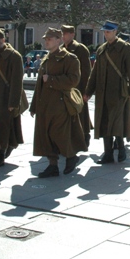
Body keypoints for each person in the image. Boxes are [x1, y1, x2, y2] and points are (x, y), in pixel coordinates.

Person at [29, 28, 87, 177]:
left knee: (59, 134)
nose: (46, 42)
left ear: (58, 40)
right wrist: (34, 105)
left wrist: (52, 80)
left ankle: (70, 157)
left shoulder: (70, 58)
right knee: (46, 136)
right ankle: (52, 165)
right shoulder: (46, 59)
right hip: (45, 104)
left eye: (49, 39)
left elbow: (73, 80)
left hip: (60, 104)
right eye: (45, 39)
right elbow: (39, 85)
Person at [84, 21, 130, 164]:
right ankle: (108, 153)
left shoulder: (126, 49)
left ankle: (121, 150)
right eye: (104, 31)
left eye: (108, 31)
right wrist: (88, 91)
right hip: (103, 92)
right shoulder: (102, 49)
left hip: (119, 91)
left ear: (115, 31)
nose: (105, 33)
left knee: (117, 122)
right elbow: (95, 72)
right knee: (103, 121)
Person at [0, 28, 25, 167]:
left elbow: (17, 81)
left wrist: (13, 102)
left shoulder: (14, 56)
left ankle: (1, 155)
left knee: (3, 127)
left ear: (3, 40)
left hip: (5, 98)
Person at [62, 25, 93, 146]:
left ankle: (85, 135)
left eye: (66, 34)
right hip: (65, 89)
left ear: (72, 35)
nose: (63, 36)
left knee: (82, 113)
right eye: (62, 34)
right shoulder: (61, 49)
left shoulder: (81, 49)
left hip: (79, 88)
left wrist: (87, 91)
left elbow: (86, 72)